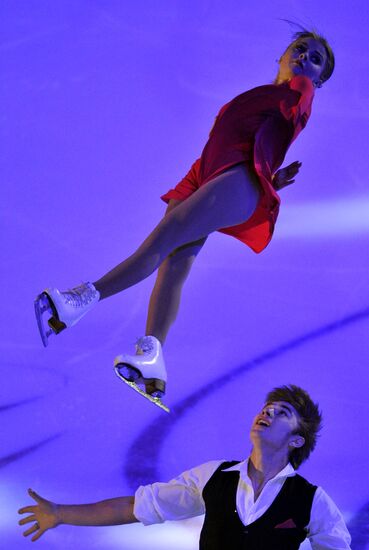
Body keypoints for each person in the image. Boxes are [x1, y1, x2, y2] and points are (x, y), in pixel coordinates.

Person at [34, 30, 335, 408]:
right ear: (282, 54)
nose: (306, 57)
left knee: (159, 245)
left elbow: (293, 117)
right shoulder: (267, 94)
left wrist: (301, 94)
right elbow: (253, 138)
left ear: (319, 78)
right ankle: (151, 358)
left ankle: (78, 301)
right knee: (172, 267)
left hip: (236, 180)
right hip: (207, 174)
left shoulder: (299, 92)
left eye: (316, 59)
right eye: (300, 49)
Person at [18, 384, 351, 548]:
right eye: (267, 408)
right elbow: (136, 507)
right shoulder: (213, 477)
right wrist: (60, 513)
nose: (267, 413)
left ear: (296, 440)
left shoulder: (312, 501)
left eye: (282, 413)